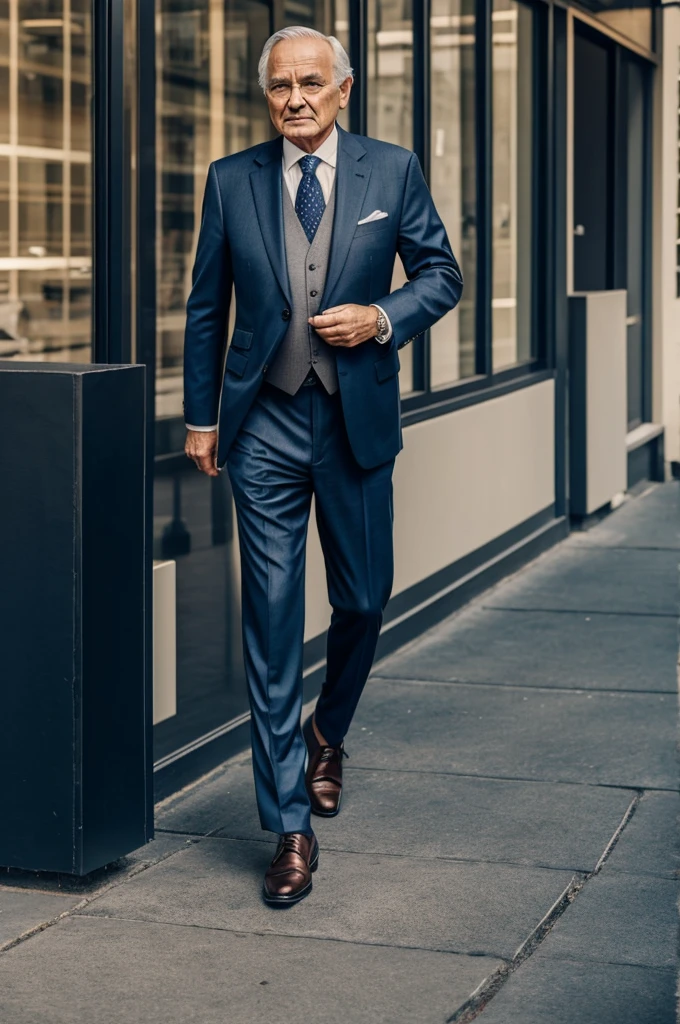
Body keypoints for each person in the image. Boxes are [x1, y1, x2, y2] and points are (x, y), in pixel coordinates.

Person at [183, 26, 463, 906]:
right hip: (262, 421)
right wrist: (202, 415)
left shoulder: (393, 169)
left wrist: (381, 319)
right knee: (268, 623)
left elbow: (442, 274)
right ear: (265, 97)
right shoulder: (232, 179)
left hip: (353, 422)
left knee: (364, 599)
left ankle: (327, 732)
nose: (295, 98)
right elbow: (205, 304)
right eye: (278, 86)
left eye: (310, 82)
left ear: (343, 89)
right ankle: (290, 824)